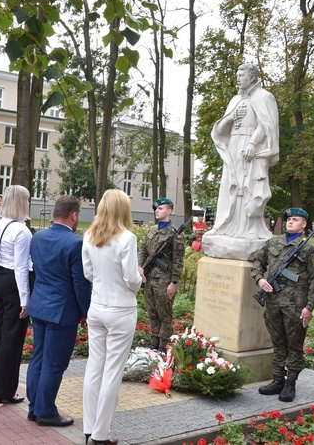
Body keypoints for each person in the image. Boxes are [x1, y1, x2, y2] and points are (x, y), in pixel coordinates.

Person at [82, 189, 142, 445]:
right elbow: (132, 280)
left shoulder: (89, 235)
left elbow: (88, 273)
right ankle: (100, 434)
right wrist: (139, 277)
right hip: (120, 309)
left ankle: (89, 427)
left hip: (97, 307)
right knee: (112, 372)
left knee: (94, 367)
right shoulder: (127, 238)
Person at [202, 62, 279, 259]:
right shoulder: (235, 100)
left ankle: (249, 229)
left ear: (252, 77)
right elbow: (220, 131)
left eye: (242, 74)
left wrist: (253, 143)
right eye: (237, 74)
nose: (238, 78)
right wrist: (230, 118)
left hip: (252, 149)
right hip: (235, 147)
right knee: (231, 187)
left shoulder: (265, 97)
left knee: (249, 187)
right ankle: (225, 226)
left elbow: (267, 125)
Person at [26, 196, 90, 427]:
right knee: (54, 364)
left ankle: (34, 408)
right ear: (73, 215)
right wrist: (86, 311)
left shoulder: (38, 236)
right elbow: (80, 283)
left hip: (40, 305)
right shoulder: (75, 243)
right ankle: (46, 411)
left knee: (39, 359)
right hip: (62, 311)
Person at [251, 207, 314, 403]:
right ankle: (277, 380)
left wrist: (309, 307)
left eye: (296, 219)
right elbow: (257, 262)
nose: (290, 222)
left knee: (295, 345)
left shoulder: (309, 249)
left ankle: (290, 383)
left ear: (304, 224)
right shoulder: (274, 242)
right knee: (278, 343)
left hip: (296, 305)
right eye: (289, 219)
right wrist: (259, 280)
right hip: (273, 302)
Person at [0, 185, 32, 404]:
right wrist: (25, 299)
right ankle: (5, 390)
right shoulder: (22, 231)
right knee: (12, 338)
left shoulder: (1, 223)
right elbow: (22, 267)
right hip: (13, 283)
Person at [138, 198, 185, 351]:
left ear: (169, 211)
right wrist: (139, 266)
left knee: (164, 315)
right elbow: (143, 249)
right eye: (156, 209)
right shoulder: (152, 231)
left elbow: (178, 261)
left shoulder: (175, 235)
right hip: (149, 278)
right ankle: (153, 344)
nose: (157, 211)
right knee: (152, 313)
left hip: (165, 281)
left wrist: (174, 283)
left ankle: (163, 346)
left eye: (161, 208)